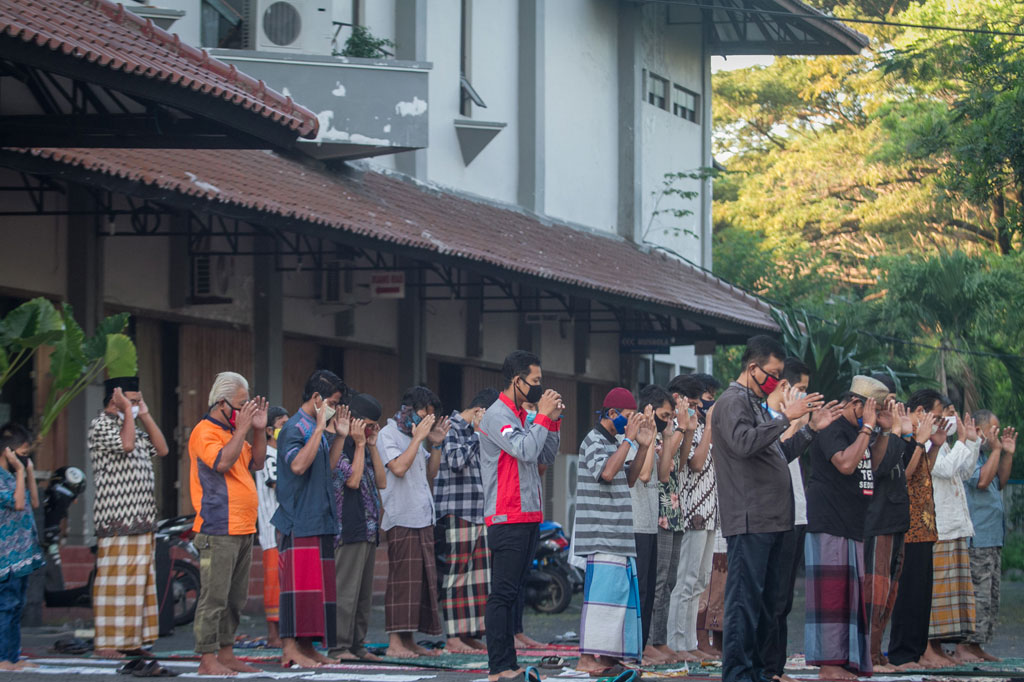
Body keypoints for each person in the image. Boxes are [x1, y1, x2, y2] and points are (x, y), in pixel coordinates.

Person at [711, 335, 837, 682]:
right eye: (773, 374)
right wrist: (783, 417)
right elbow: (744, 443)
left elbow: (778, 454)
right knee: (745, 603)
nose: (776, 382)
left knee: (767, 605)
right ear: (753, 368)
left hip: (772, 518)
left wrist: (810, 430)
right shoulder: (732, 402)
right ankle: (738, 674)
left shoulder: (754, 403)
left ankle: (759, 672)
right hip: (750, 518)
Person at [478, 350, 562, 682]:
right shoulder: (496, 415)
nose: (539, 387)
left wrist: (552, 420)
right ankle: (498, 667)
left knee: (513, 595)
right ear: (517, 381)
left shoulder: (523, 415)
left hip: (529, 515)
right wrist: (541, 418)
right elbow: (524, 450)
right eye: (535, 381)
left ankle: (509, 664)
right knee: (502, 593)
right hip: (506, 516)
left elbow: (546, 455)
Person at [803, 376, 894, 680]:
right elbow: (845, 464)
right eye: (872, 410)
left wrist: (883, 430)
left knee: (849, 598)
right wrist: (867, 429)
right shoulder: (832, 426)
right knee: (831, 596)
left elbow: (872, 464)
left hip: (852, 523)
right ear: (856, 403)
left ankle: (845, 660)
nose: (873, 417)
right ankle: (828, 664)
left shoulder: (859, 431)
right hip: (829, 520)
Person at [189, 371, 268, 676]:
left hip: (243, 527)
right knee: (214, 597)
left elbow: (257, 462)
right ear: (221, 403)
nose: (244, 411)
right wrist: (243, 429)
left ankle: (226, 652)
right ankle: (207, 658)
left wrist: (258, 430)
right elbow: (222, 463)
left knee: (235, 599)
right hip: (218, 527)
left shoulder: (233, 432)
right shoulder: (204, 432)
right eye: (240, 405)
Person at [86, 376, 170, 659]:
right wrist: (127, 412)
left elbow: (162, 449)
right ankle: (106, 644)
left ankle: (132, 641)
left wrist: (144, 414)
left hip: (142, 518)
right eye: (132, 401)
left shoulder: (132, 424)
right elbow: (127, 445)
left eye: (137, 401)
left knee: (138, 586)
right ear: (115, 399)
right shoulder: (101, 424)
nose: (135, 405)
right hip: (116, 519)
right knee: (114, 584)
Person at [574, 388, 656, 674]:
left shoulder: (616, 442)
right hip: (601, 533)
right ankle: (586, 658)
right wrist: (630, 440)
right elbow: (607, 473)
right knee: (601, 600)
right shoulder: (593, 440)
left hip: (619, 533)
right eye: (628, 416)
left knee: (616, 601)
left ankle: (608, 657)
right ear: (612, 414)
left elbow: (629, 479)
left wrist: (642, 447)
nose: (631, 422)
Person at [273, 370, 349, 668]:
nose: (333, 408)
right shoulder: (294, 427)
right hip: (299, 519)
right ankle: (289, 649)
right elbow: (297, 466)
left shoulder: (313, 426)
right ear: (316, 398)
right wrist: (320, 428)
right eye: (332, 402)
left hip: (320, 517)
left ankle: (308, 647)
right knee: (298, 591)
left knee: (316, 593)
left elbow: (327, 467)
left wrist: (339, 436)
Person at [379, 386, 450, 658]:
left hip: (422, 518)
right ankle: (395, 642)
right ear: (408, 410)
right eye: (424, 415)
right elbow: (398, 468)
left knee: (419, 583)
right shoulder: (388, 434)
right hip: (401, 517)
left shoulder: (413, 438)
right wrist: (418, 438)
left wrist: (436, 444)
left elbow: (431, 472)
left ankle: (409, 640)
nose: (426, 422)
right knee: (402, 582)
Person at [758, 357, 812, 681]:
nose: (805, 395)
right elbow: (777, 452)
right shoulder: (765, 417)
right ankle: (768, 668)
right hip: (775, 516)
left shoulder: (794, 420)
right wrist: (794, 421)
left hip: (797, 513)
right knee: (773, 598)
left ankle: (776, 667)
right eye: (801, 389)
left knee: (785, 600)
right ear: (785, 387)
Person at [862, 392, 924, 671]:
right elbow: (882, 466)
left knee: (890, 593)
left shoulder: (894, 433)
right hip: (878, 521)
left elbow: (906, 470)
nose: (893, 408)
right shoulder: (870, 435)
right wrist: (895, 432)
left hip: (897, 520)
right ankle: (868, 655)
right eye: (887, 402)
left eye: (895, 402)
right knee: (874, 592)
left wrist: (911, 438)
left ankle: (877, 654)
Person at [434, 388, 499, 654]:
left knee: (479, 579)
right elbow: (455, 461)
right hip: (457, 511)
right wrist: (479, 433)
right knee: (457, 575)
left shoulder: (476, 431)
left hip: (479, 511)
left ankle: (470, 634)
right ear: (480, 411)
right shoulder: (452, 427)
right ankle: (453, 636)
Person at [887, 389, 945, 670]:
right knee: (908, 593)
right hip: (907, 526)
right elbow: (905, 474)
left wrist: (935, 446)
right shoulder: (904, 431)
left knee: (922, 593)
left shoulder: (920, 437)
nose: (938, 421)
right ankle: (902, 653)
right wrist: (920, 441)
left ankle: (917, 651)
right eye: (936, 415)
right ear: (921, 411)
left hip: (925, 526)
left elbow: (923, 470)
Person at [329, 393, 387, 662]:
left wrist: (371, 445)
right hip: (348, 525)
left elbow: (382, 481)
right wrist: (361, 445)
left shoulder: (365, 444)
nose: (371, 430)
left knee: (363, 595)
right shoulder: (338, 444)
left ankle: (357, 644)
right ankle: (339, 646)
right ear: (354, 420)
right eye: (368, 425)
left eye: (374, 426)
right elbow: (351, 481)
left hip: (369, 527)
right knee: (345, 592)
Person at [669, 375, 719, 663]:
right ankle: (677, 642)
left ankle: (689, 641)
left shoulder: (700, 427)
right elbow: (695, 463)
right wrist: (708, 426)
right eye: (700, 401)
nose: (703, 407)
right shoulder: (685, 428)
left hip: (710, 513)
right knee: (685, 581)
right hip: (692, 513)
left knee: (699, 582)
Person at [961, 410, 1016, 663]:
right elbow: (982, 482)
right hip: (977, 538)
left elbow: (999, 482)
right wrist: (996, 450)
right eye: (992, 431)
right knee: (977, 596)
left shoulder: (987, 455)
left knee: (990, 598)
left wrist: (1006, 453)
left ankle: (977, 645)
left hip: (993, 537)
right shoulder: (969, 453)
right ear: (978, 430)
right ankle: (964, 646)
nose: (996, 435)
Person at [928, 411, 982, 663]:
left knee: (953, 594)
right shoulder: (927, 444)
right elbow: (946, 469)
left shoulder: (947, 445)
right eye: (945, 413)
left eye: (952, 414)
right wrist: (961, 441)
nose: (950, 419)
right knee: (938, 594)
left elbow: (965, 472)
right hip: (940, 528)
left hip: (956, 527)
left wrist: (971, 442)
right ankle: (929, 647)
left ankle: (940, 648)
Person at [647, 376, 693, 664]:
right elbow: (662, 472)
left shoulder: (672, 431)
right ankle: (651, 639)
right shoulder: (652, 432)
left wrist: (687, 431)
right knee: (659, 579)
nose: (669, 420)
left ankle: (660, 639)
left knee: (670, 581)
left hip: (674, 510)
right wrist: (678, 430)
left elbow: (682, 462)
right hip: (659, 512)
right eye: (665, 415)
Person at [630, 385, 676, 665]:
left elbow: (663, 474)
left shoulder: (656, 435)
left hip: (649, 522)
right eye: (664, 415)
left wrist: (667, 435)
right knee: (640, 590)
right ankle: (636, 646)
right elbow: (645, 474)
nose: (666, 420)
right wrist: (649, 432)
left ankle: (643, 644)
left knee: (648, 589)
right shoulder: (636, 434)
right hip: (635, 522)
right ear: (648, 410)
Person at [0, 426, 45, 671]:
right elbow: (18, 504)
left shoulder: (12, 476)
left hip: (21, 555)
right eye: (23, 453)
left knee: (17, 607)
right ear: (7, 452)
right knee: (5, 607)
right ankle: (2, 658)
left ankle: (13, 656)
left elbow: (34, 502)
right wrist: (19, 471)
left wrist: (27, 471)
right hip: (5, 557)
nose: (25, 458)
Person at [255, 406, 288, 648]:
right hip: (272, 527)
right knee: (274, 582)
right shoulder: (269, 455)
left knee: (282, 581)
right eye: (282, 424)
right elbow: (278, 486)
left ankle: (283, 632)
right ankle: (273, 635)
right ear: (269, 430)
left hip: (283, 526)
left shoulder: (281, 454)